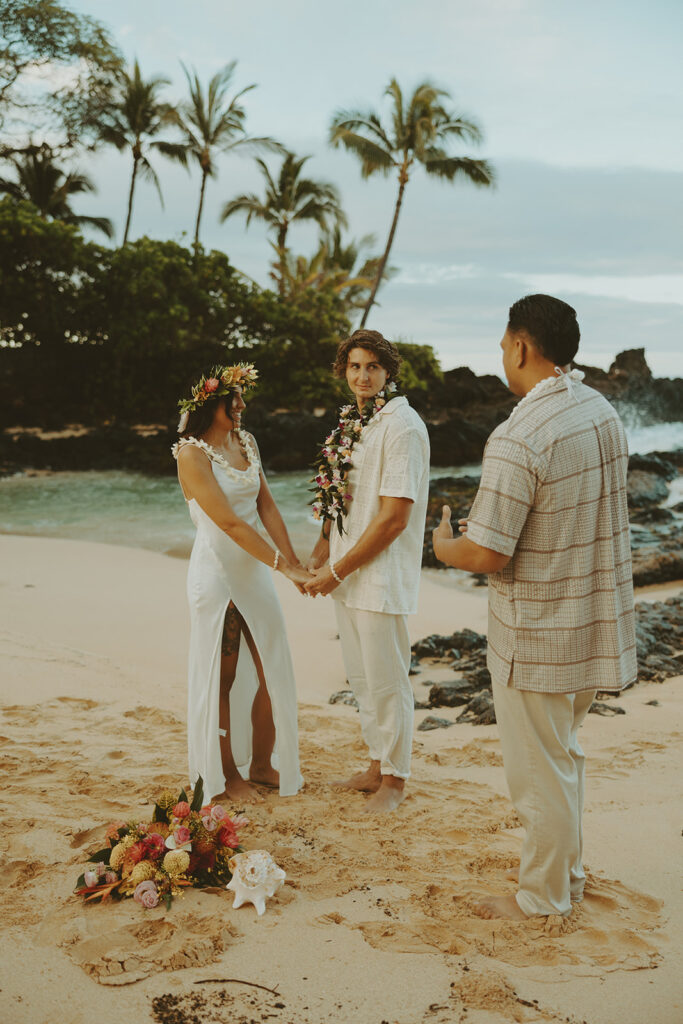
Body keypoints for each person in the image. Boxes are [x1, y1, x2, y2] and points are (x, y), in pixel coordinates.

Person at [432, 294, 636, 918]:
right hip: (593, 622)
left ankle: (542, 897)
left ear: (521, 345)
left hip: (537, 632)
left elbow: (488, 553)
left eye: (502, 343)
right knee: (563, 756)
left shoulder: (518, 434)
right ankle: (567, 878)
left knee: (537, 774)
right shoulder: (600, 410)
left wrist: (445, 546)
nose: (500, 353)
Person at [305, 329, 430, 813]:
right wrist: (322, 547)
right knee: (360, 676)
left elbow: (394, 518)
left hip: (377, 574)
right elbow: (343, 494)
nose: (362, 376)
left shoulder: (403, 427)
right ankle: (377, 764)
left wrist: (336, 571)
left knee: (387, 678)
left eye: (372, 367)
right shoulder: (353, 421)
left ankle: (396, 779)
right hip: (345, 568)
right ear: (344, 370)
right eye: (355, 366)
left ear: (389, 372)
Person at [172, 364, 308, 804]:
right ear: (212, 404)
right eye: (236, 400)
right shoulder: (190, 454)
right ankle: (228, 773)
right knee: (223, 677)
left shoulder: (246, 442)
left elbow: (266, 506)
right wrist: (280, 567)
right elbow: (228, 523)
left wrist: (292, 560)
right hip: (219, 576)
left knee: (273, 666)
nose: (243, 407)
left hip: (256, 572)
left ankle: (263, 763)